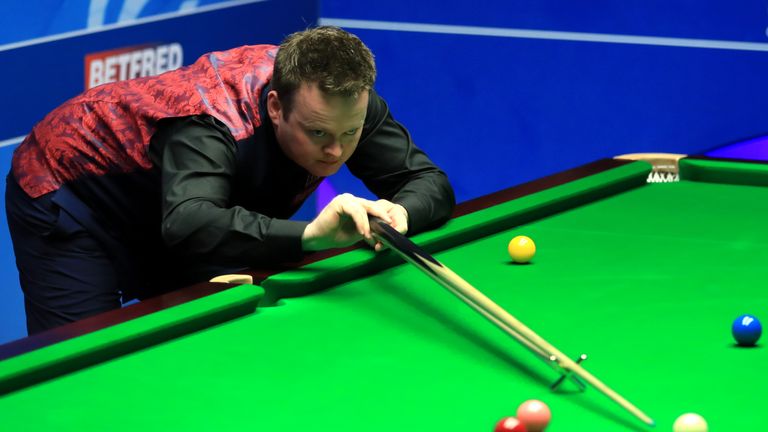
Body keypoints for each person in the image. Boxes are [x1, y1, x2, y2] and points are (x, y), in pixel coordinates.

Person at [5, 26, 455, 335]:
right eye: (317, 133)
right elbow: (188, 223)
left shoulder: (344, 106)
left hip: (177, 199)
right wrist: (310, 235)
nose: (335, 151)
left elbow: (427, 181)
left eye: (349, 134)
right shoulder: (209, 122)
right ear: (276, 108)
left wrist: (402, 212)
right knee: (90, 360)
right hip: (70, 188)